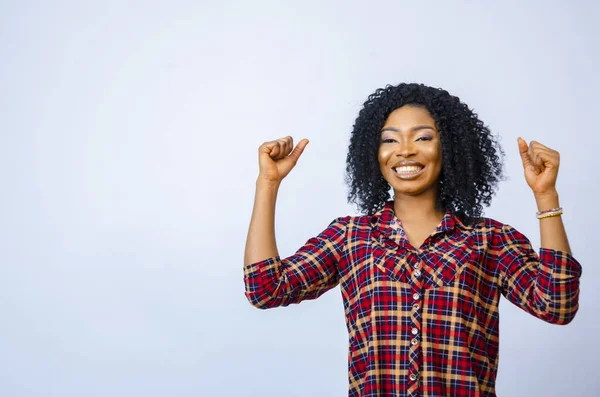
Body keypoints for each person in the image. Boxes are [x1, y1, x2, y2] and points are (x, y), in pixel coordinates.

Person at [243, 83, 582, 397]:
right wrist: (267, 183)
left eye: (422, 138)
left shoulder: (490, 240)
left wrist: (545, 195)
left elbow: (557, 305)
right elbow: (265, 289)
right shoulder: (350, 238)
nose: (404, 151)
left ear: (448, 147)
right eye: (390, 140)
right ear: (373, 153)